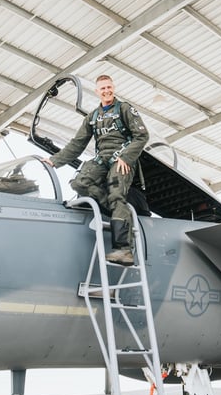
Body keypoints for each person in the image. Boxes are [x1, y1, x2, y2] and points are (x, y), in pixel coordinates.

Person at [43, 75, 149, 265]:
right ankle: (118, 211)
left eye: (109, 87)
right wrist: (54, 161)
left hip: (122, 157)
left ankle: (124, 250)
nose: (106, 91)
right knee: (80, 183)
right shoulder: (92, 117)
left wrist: (126, 157)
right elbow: (77, 144)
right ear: (97, 91)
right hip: (102, 158)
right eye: (103, 88)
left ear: (113, 87)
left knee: (117, 194)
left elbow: (141, 135)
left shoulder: (124, 109)